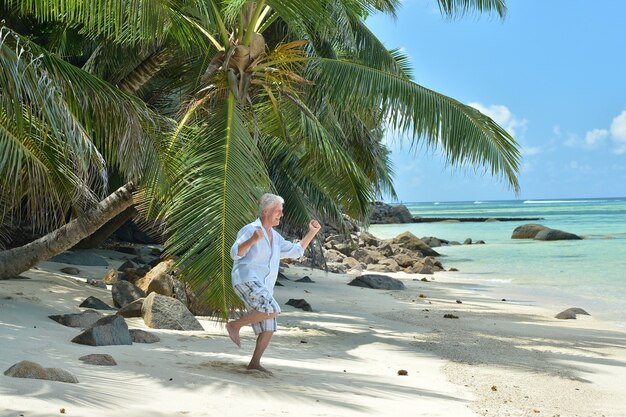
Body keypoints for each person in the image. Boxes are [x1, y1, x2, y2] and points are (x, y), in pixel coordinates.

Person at [226, 193, 321, 373]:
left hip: (263, 286)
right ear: (266, 211)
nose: (281, 214)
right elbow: (234, 253)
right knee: (272, 309)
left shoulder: (275, 237)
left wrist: (312, 232)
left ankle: (254, 363)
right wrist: (253, 239)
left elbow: (296, 251)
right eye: (278, 210)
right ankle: (234, 325)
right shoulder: (250, 229)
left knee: (269, 325)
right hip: (246, 278)